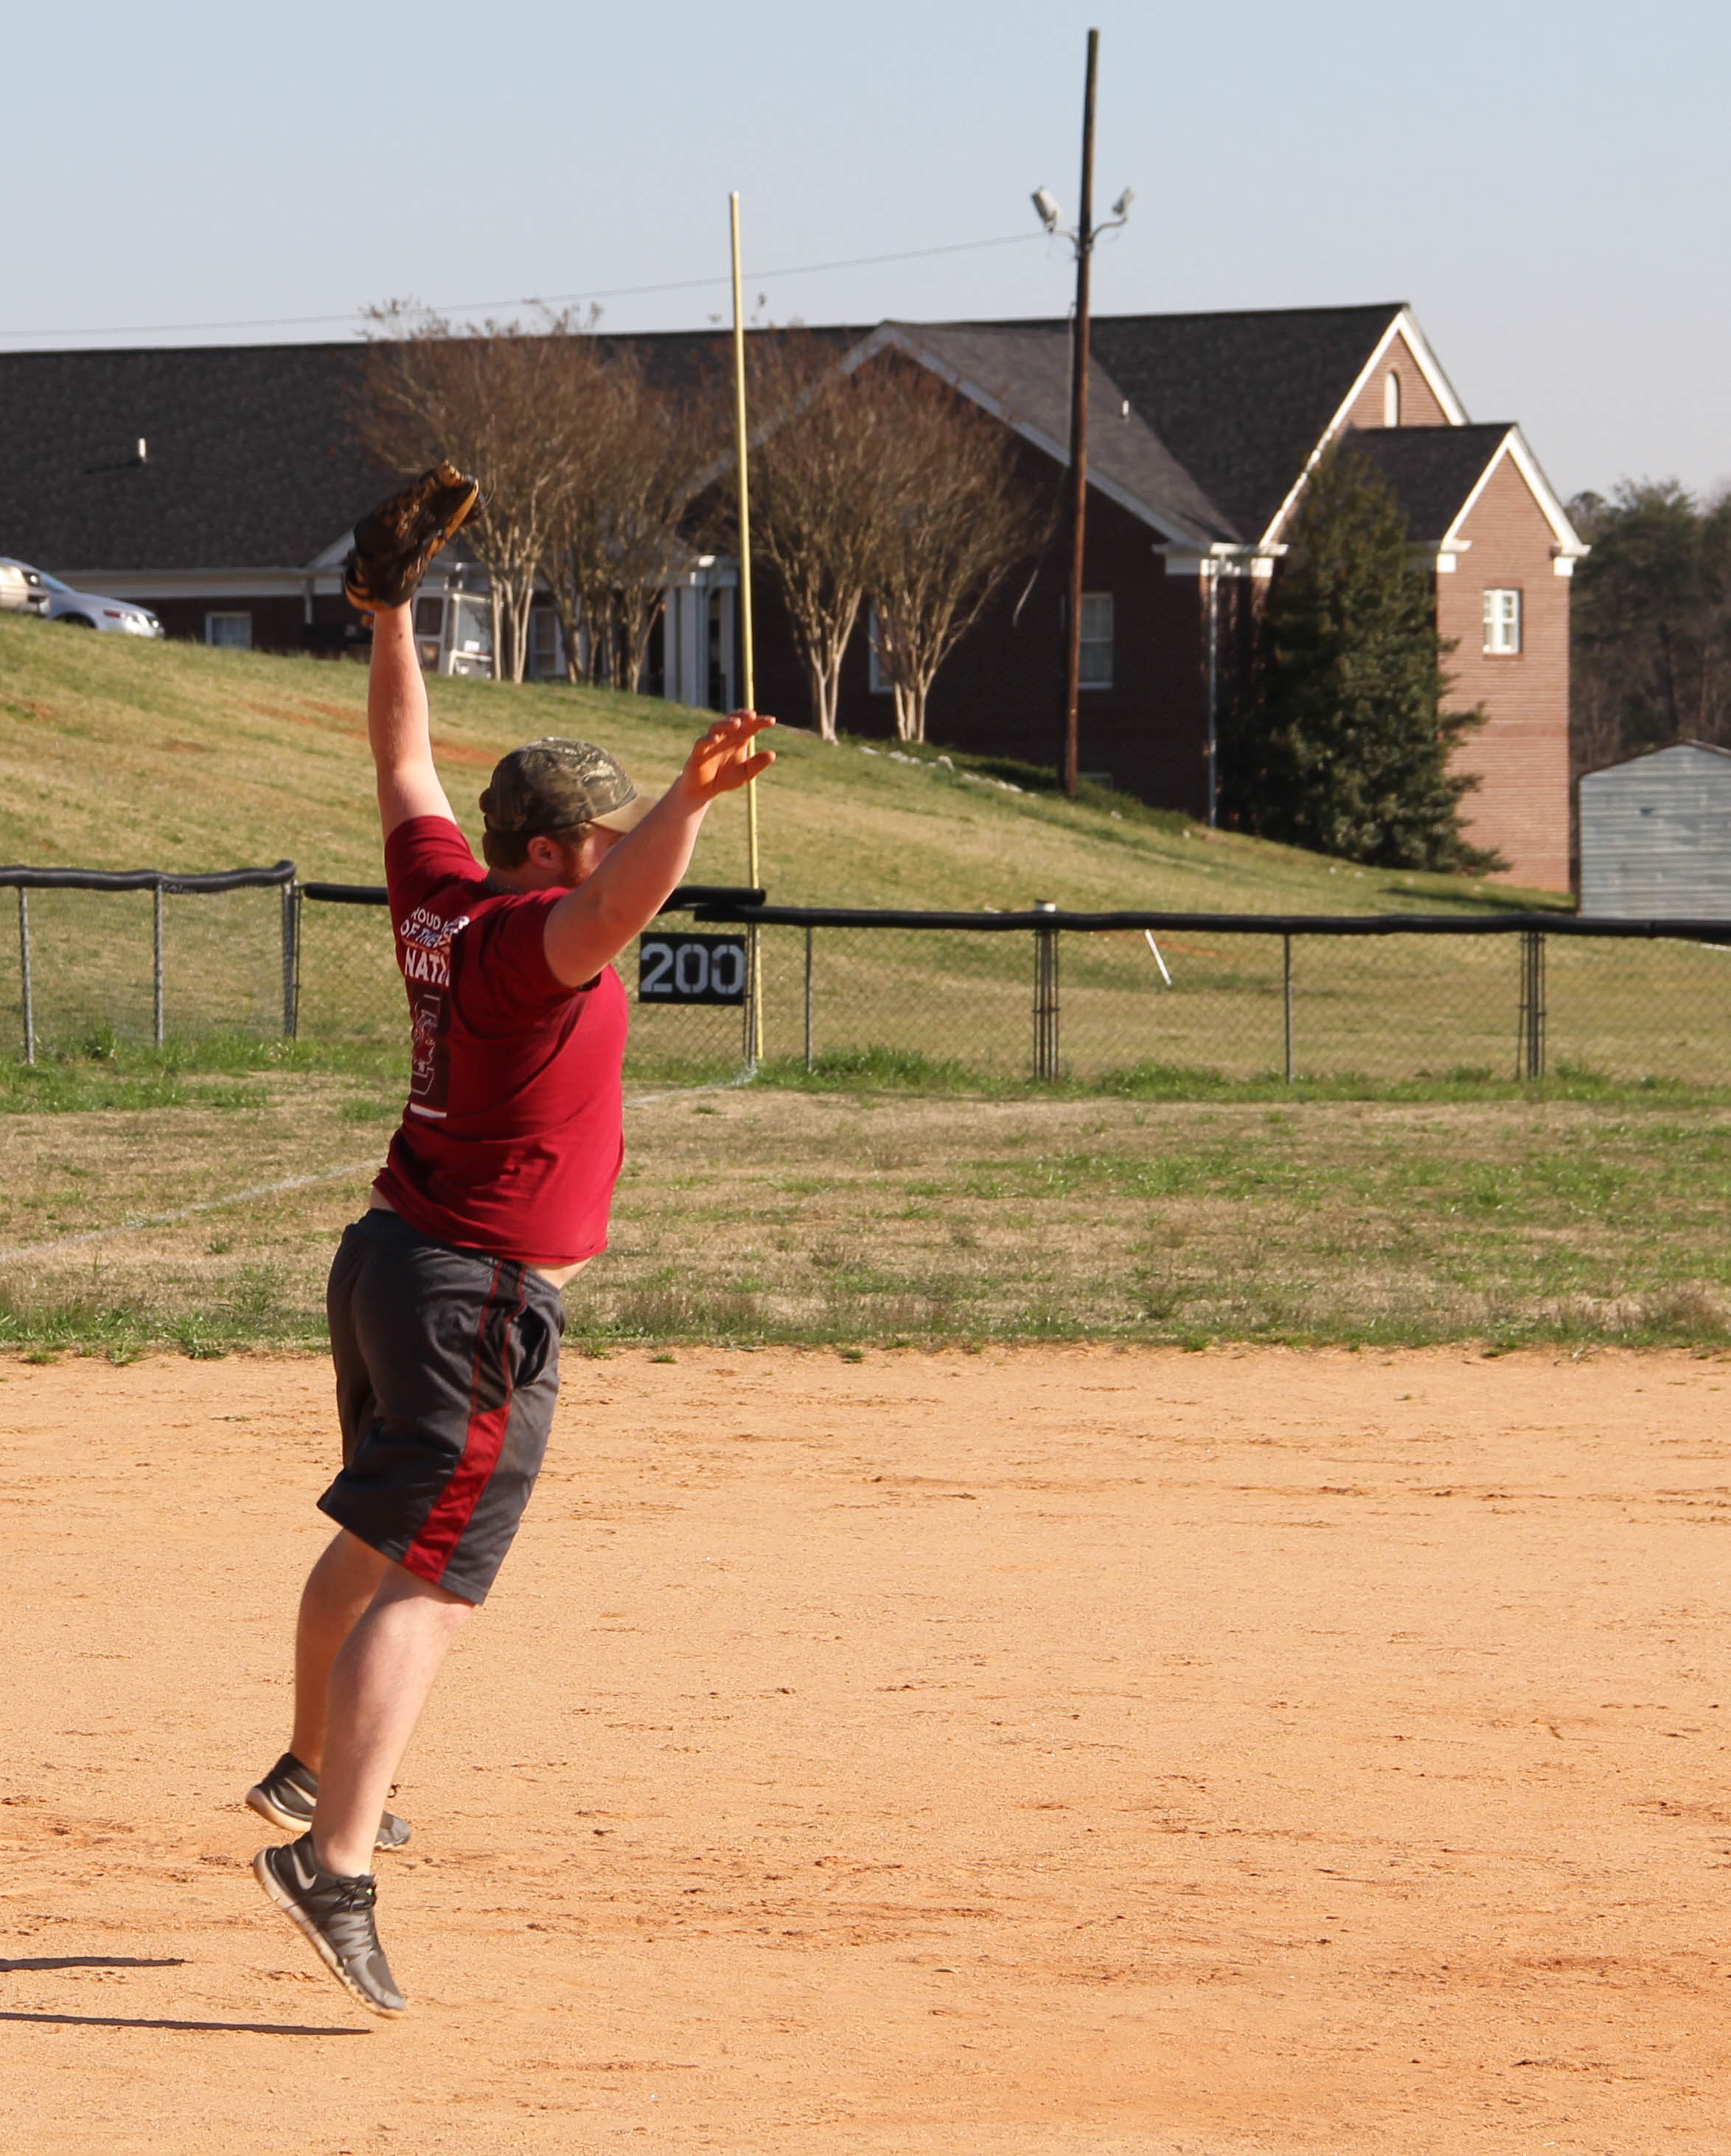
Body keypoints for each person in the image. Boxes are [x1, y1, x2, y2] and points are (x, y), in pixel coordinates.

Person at [246, 464, 773, 2017]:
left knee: (372, 1535)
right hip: (469, 1291)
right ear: (553, 854)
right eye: (598, 838)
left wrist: (389, 613)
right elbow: (625, 905)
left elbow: (404, 760)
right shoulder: (537, 951)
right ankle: (332, 1859)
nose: (614, 856)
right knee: (439, 1576)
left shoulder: (444, 899)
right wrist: (686, 800)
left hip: (392, 1260)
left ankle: (305, 1764)